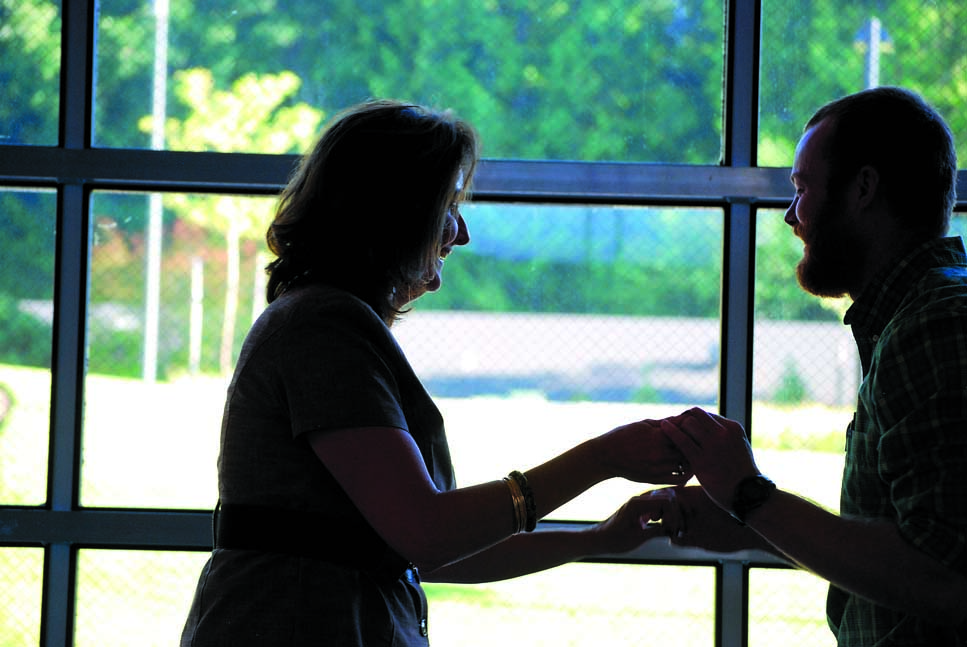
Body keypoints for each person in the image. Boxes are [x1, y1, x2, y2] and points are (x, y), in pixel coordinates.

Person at [180, 99, 691, 646]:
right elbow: (428, 534)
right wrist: (603, 457)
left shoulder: (325, 321)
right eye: (448, 205)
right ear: (396, 212)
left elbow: (432, 547)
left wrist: (596, 539)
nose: (461, 232)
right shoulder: (324, 326)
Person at [656, 86, 967, 646]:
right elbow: (906, 541)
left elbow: (944, 578)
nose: (790, 216)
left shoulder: (935, 329)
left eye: (802, 189)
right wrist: (753, 522)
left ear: (864, 189)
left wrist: (751, 495)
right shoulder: (917, 316)